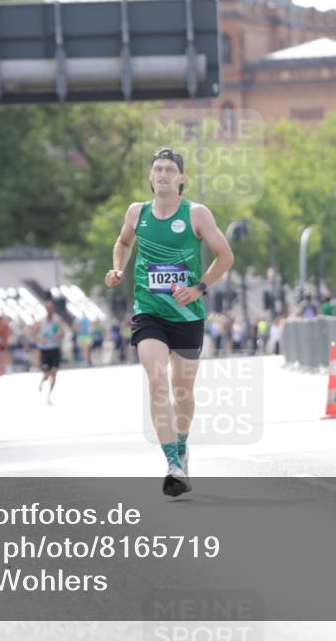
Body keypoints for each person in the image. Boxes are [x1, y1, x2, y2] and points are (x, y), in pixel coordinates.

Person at [104, 147, 234, 497]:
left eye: (169, 170)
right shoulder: (137, 212)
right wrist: (118, 267)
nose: (162, 174)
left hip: (188, 314)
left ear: (181, 178)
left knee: (183, 391)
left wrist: (199, 287)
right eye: (157, 169)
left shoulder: (197, 214)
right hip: (149, 311)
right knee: (157, 381)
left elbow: (226, 256)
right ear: (150, 177)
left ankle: (182, 444)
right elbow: (123, 242)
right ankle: (172, 463)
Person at [31, 297, 64, 405]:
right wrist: (39, 339)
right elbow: (32, 334)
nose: (50, 310)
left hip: (54, 349)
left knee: (54, 373)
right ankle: (42, 381)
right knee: (46, 374)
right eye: (48, 308)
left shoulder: (56, 320)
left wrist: (59, 336)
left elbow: (62, 332)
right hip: (45, 350)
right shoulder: (41, 322)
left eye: (51, 308)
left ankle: (49, 395)